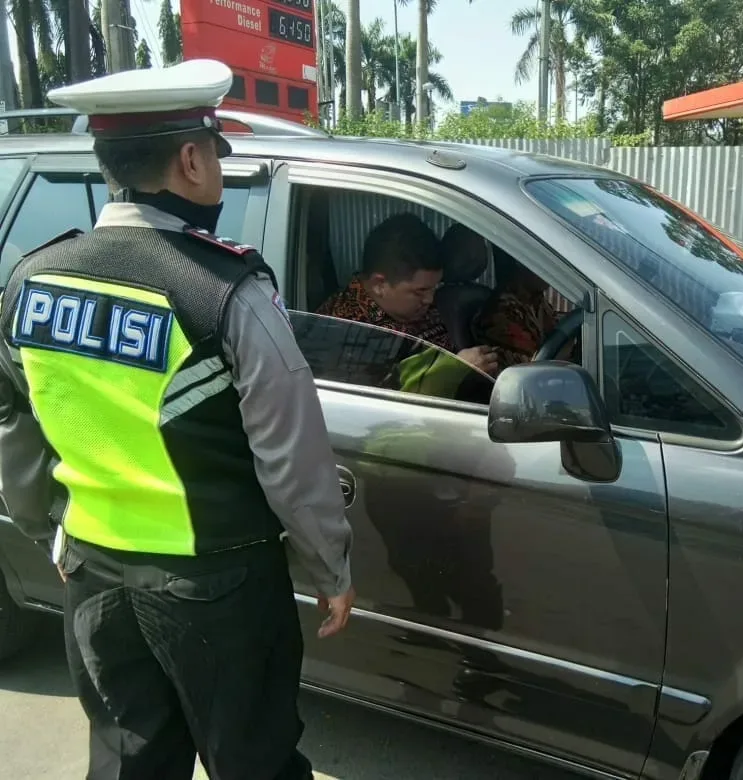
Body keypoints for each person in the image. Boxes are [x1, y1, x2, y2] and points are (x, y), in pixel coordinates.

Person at [0, 59, 354, 780]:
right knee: (252, 762)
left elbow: (17, 429)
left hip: (94, 575)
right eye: (216, 156)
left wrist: (54, 537)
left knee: (131, 758)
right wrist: (329, 566)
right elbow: (293, 460)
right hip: (218, 589)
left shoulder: (30, 282)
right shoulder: (223, 293)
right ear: (190, 160)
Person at [316, 213, 499, 377]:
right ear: (380, 285)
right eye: (420, 291)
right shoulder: (345, 330)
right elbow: (376, 406)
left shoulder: (416, 306)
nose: (430, 299)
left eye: (434, 288)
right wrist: (453, 370)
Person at [475, 247, 576, 367]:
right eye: (544, 262)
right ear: (522, 262)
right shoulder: (503, 310)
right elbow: (537, 365)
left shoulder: (535, 300)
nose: (551, 269)